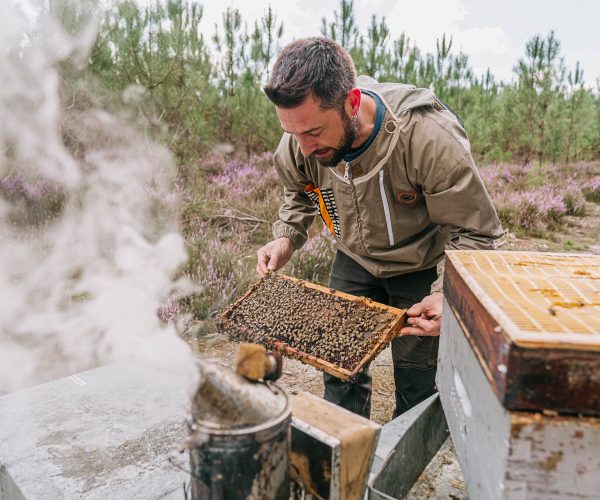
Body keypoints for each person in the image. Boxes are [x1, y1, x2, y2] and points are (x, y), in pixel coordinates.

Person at [256, 37, 503, 419]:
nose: (304, 148)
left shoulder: (427, 138)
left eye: (314, 133)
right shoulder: (300, 137)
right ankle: (348, 450)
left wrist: (446, 296)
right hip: (353, 258)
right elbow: (300, 192)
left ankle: (398, 464)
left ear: (352, 102)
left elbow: (475, 233)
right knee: (338, 365)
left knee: (416, 378)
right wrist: (286, 236)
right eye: (294, 133)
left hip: (420, 264)